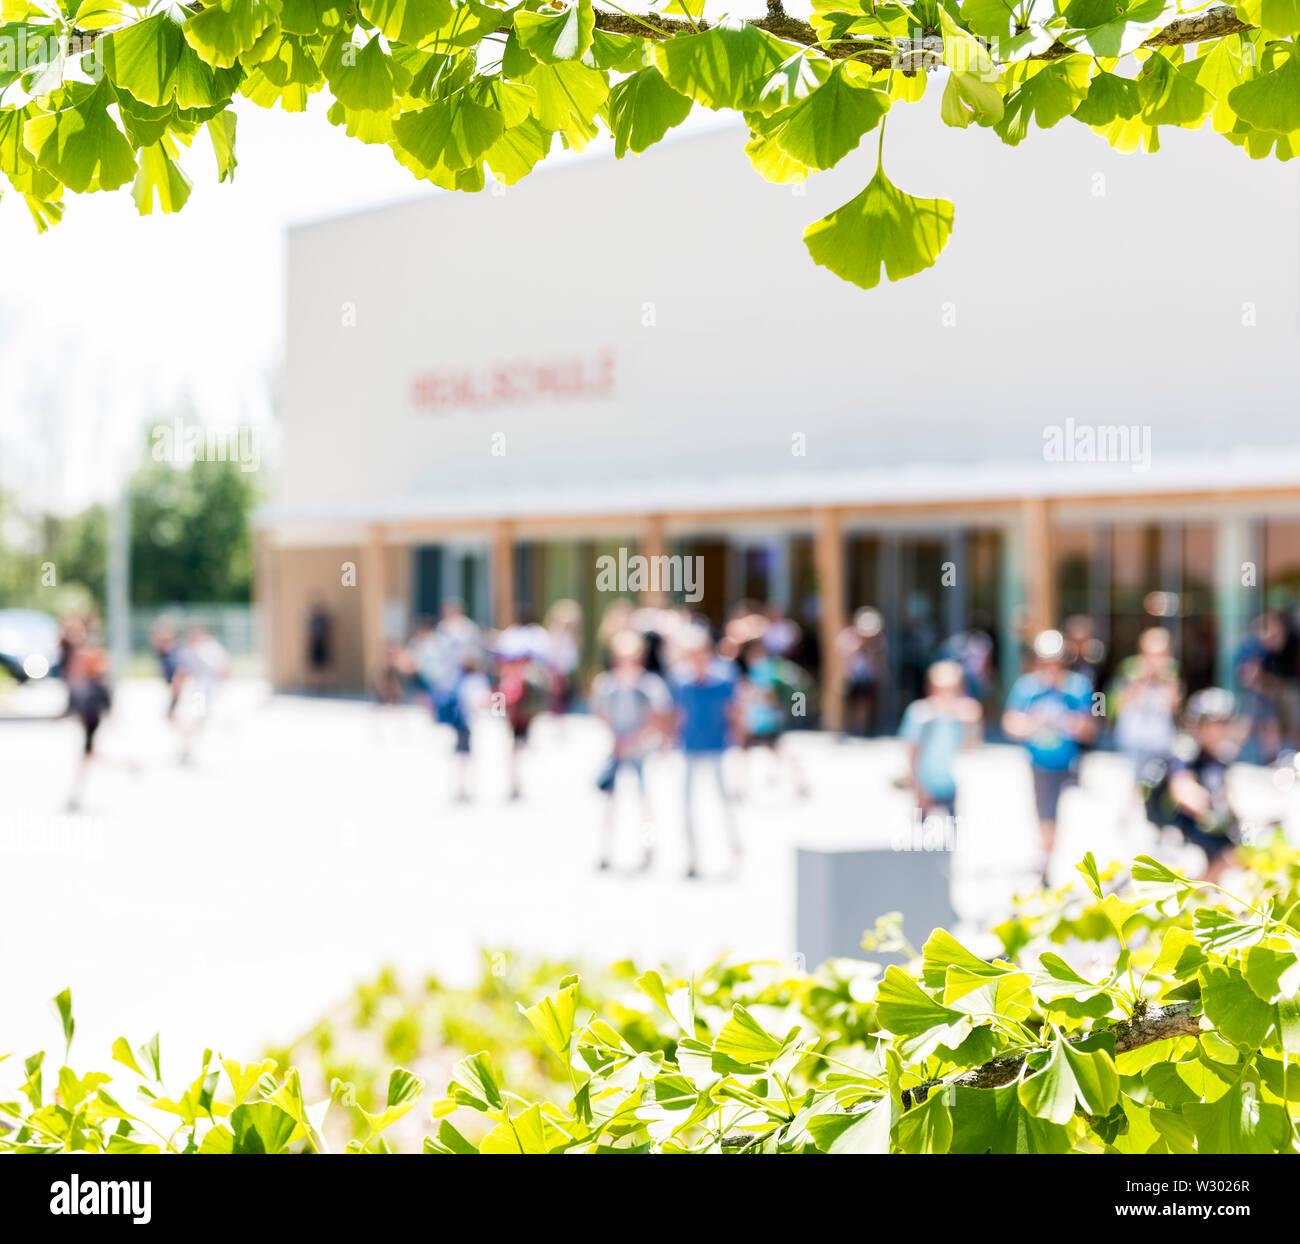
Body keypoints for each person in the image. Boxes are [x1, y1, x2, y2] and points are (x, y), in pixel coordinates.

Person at [1002, 628, 1097, 879]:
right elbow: (1010, 723)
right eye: (1045, 662)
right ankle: (1047, 861)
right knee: (1045, 815)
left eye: (1056, 661)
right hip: (1041, 762)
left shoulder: (1079, 687)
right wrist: (1033, 725)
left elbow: (1091, 726)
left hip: (1071, 763)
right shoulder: (1027, 687)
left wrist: (1071, 724)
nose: (1051, 668)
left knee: (1075, 818)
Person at [590, 629, 672, 872]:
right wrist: (616, 738)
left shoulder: (649, 684)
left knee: (644, 800)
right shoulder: (607, 683)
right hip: (616, 750)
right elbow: (599, 712)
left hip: (640, 750)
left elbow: (659, 717)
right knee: (609, 801)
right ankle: (606, 849)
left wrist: (637, 739)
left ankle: (648, 846)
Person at [1148, 689, 1246, 882]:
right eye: (1212, 724)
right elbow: (1184, 792)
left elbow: (1230, 799)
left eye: (1222, 724)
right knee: (1196, 863)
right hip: (1182, 837)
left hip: (1212, 835)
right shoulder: (1185, 754)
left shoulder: (1221, 759)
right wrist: (1214, 808)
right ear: (1198, 726)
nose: (1217, 731)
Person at [669, 627, 741, 880]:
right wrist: (669, 743)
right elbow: (678, 714)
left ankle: (733, 853)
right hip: (690, 747)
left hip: (717, 747)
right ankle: (692, 856)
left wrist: (739, 742)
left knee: (724, 802)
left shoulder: (723, 678)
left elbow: (732, 711)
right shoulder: (681, 680)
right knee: (687, 804)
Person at [899, 659, 982, 820]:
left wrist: (974, 723)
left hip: (948, 786)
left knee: (948, 837)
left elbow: (971, 748)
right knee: (921, 838)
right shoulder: (920, 714)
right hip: (924, 786)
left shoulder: (959, 718)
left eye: (952, 689)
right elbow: (911, 750)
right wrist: (916, 784)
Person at [1109, 627, 1180, 785]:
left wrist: (1168, 683)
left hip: (1160, 740)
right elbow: (1119, 704)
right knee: (1133, 785)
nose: (1155, 660)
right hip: (1134, 740)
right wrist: (1140, 680)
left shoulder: (1170, 674)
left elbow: (1173, 708)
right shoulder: (1130, 669)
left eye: (1161, 655)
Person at [494, 620, 547, 800]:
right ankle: (517, 783)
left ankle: (517, 782)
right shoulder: (525, 675)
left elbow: (500, 698)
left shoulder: (512, 675)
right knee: (517, 749)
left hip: (518, 717)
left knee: (516, 750)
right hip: (520, 717)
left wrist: (499, 715)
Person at [173, 623, 230, 764]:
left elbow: (223, 667)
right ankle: (190, 748)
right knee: (197, 719)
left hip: (208, 690)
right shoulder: (191, 649)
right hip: (198, 691)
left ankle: (192, 748)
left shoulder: (211, 648)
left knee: (199, 720)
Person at [837, 607, 886, 737]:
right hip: (852, 677)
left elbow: (879, 661)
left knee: (865, 702)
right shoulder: (848, 637)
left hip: (868, 677)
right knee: (852, 702)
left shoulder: (877, 642)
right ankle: (852, 726)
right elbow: (843, 657)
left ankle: (861, 726)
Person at [543, 599, 583, 718]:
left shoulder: (573, 641)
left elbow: (571, 662)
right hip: (549, 677)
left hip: (564, 679)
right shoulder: (547, 637)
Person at [149, 618, 182, 720]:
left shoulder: (172, 648)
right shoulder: (163, 649)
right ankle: (171, 713)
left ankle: (172, 712)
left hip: (173, 671)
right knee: (175, 692)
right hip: (170, 672)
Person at [305, 596, 334, 693]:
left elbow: (328, 631)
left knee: (324, 664)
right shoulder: (311, 619)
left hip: (322, 643)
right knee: (314, 665)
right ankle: (315, 685)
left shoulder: (323, 618)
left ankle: (323, 685)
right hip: (314, 644)